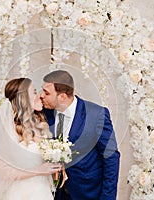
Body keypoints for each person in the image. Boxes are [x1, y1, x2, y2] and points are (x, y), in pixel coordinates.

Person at [40, 70, 120, 200]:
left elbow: (111, 158)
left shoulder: (97, 115)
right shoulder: (43, 113)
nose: (41, 95)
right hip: (53, 193)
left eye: (46, 93)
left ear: (62, 97)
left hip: (87, 193)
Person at [0, 78, 61, 200]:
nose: (39, 95)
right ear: (23, 99)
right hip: (23, 193)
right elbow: (1, 172)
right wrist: (39, 171)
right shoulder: (11, 129)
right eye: (34, 92)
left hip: (42, 191)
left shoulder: (40, 123)